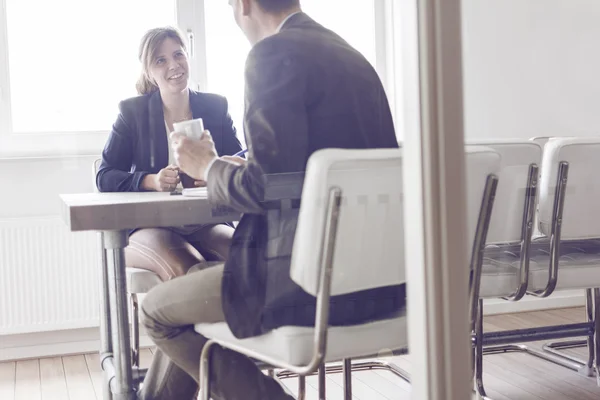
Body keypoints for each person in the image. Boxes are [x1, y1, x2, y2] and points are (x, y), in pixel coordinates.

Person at [139, 1, 405, 399]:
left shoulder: (271, 54)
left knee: (157, 312)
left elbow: (266, 189)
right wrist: (237, 166)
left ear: (244, 4)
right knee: (194, 283)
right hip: (379, 282)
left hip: (301, 283)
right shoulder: (352, 57)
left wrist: (209, 166)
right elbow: (297, 173)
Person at [96, 26, 242, 281]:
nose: (174, 65)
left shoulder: (216, 107)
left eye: (178, 54)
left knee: (245, 257)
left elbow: (237, 163)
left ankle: (237, 322)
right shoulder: (132, 112)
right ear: (149, 72)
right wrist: (151, 181)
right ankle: (185, 321)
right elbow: (104, 176)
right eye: (161, 60)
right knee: (188, 268)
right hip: (149, 225)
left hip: (205, 221)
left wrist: (214, 172)